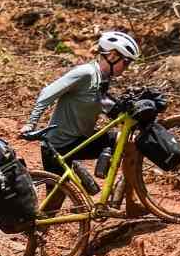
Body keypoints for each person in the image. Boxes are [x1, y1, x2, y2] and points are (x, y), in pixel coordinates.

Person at [20, 31, 140, 185]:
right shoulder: (86, 73)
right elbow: (47, 93)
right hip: (59, 146)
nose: (126, 68)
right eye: (126, 62)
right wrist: (31, 123)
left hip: (81, 140)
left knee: (129, 142)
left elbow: (102, 105)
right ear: (112, 56)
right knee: (57, 198)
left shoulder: (103, 79)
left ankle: (128, 195)